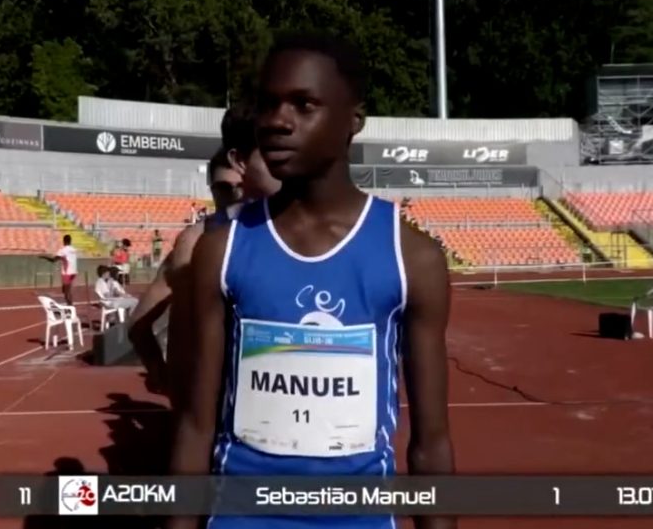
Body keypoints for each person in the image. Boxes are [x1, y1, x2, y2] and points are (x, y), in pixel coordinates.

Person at [166, 32, 454, 529]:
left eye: (304, 104)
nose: (277, 121)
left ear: (353, 122)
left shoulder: (413, 257)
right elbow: (196, 426)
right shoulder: (223, 248)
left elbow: (430, 445)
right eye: (268, 104)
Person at [127, 104, 280, 397]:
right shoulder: (196, 240)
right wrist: (164, 378)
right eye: (225, 188)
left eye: (240, 186)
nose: (237, 194)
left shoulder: (293, 228)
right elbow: (139, 324)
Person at [39, 234, 79, 306]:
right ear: (70, 241)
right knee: (67, 290)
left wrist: (43, 257)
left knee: (67, 292)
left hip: (67, 273)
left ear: (64, 241)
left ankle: (70, 307)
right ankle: (70, 305)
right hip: (74, 272)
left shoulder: (63, 250)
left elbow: (53, 260)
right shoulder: (74, 249)